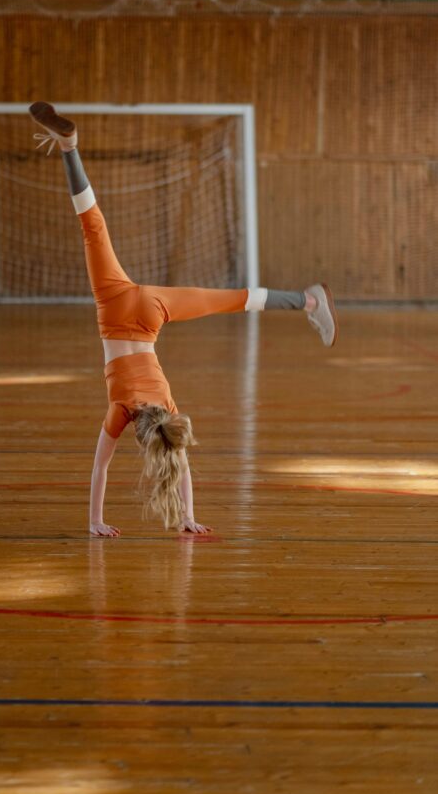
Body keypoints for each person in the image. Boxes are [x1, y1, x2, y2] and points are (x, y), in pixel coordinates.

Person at [29, 102, 338, 539]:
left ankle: (308, 301)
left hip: (151, 309)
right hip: (118, 308)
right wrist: (93, 521)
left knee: (231, 300)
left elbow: (182, 460)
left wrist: (190, 514)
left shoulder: (171, 413)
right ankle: (69, 149)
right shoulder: (120, 413)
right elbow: (100, 468)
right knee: (91, 226)